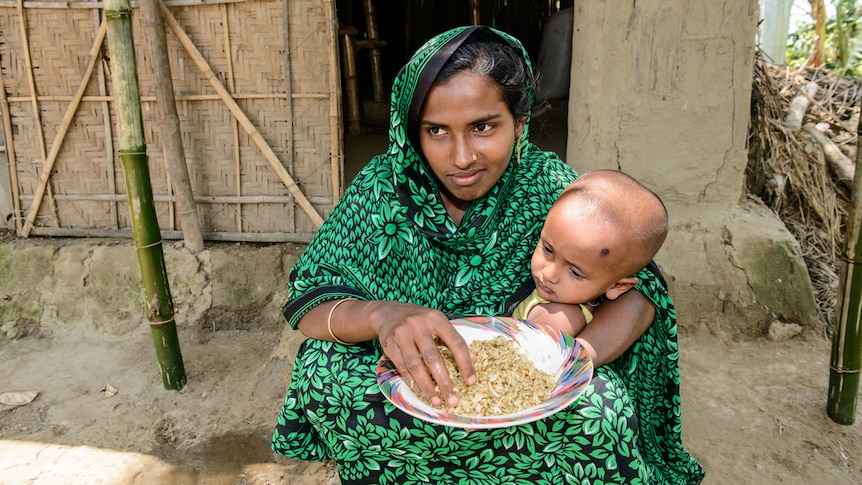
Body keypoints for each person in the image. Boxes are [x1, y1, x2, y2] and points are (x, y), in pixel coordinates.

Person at [271, 25, 704, 484]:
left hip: (521, 376)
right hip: (412, 372)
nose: (461, 158)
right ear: (411, 130)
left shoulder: (549, 187)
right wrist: (382, 316)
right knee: (321, 370)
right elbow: (309, 301)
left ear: (519, 123)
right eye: (436, 130)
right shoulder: (383, 187)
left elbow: (640, 294)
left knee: (602, 407)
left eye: (482, 127)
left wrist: (564, 362)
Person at [512, 169, 670, 339]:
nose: (548, 274)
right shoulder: (557, 296)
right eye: (548, 250)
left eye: (575, 272)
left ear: (617, 286)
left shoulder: (561, 318)